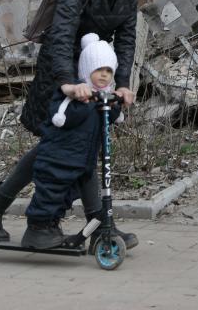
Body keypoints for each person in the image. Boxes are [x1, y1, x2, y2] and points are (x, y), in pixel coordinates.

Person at [0, 0, 140, 248]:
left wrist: (122, 83)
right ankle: (91, 220)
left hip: (93, 72)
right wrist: (65, 80)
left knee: (84, 142)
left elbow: (126, 38)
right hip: (60, 72)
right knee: (62, 144)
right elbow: (61, 34)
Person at [22, 33, 123, 249]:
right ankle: (37, 230)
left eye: (108, 71)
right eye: (98, 70)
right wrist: (82, 98)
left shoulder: (101, 99)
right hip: (58, 158)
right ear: (87, 71)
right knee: (50, 194)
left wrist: (116, 102)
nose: (104, 76)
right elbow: (62, 117)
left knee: (65, 197)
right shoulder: (72, 95)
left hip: (79, 162)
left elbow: (110, 117)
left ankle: (52, 227)